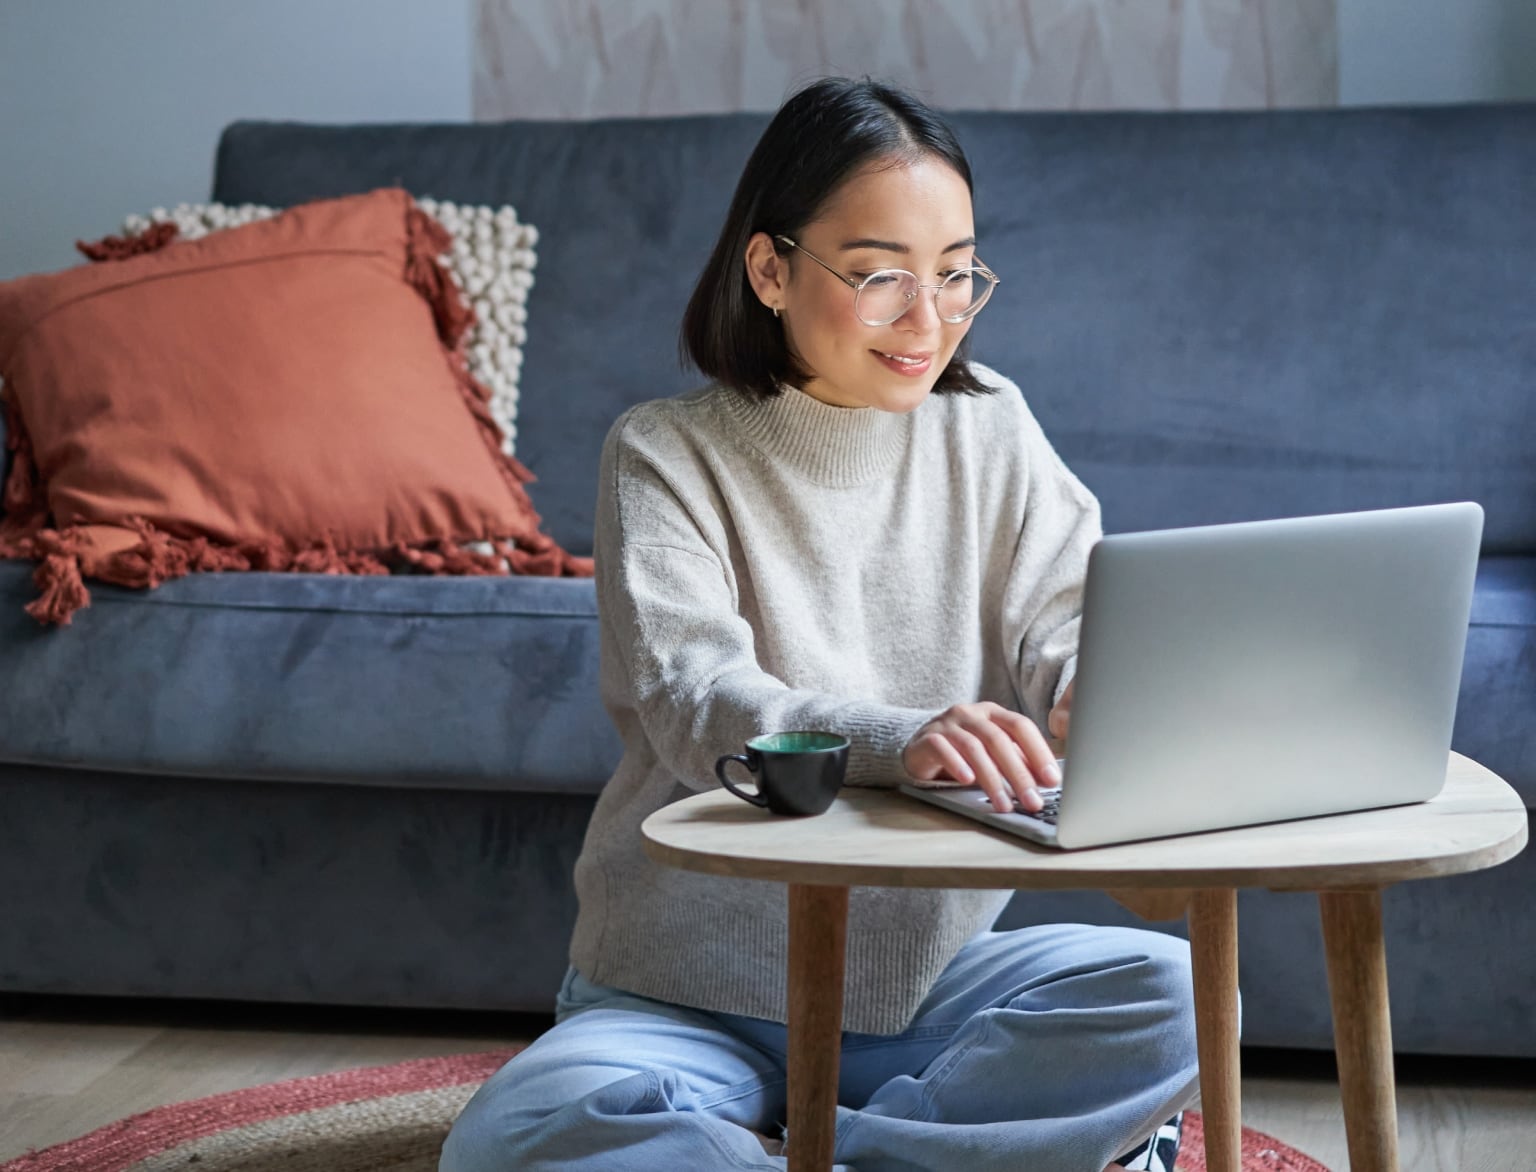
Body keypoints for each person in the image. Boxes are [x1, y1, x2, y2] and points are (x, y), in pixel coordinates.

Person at [441, 77, 1198, 1172]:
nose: (928, 319)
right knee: (512, 1137)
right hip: (682, 992)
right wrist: (905, 734)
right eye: (882, 275)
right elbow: (697, 699)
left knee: (1172, 993)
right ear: (770, 268)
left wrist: (1098, 684)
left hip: (928, 989)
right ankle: (963, 1147)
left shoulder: (994, 430)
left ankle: (810, 1151)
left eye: (955, 275)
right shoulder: (662, 450)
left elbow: (1076, 613)